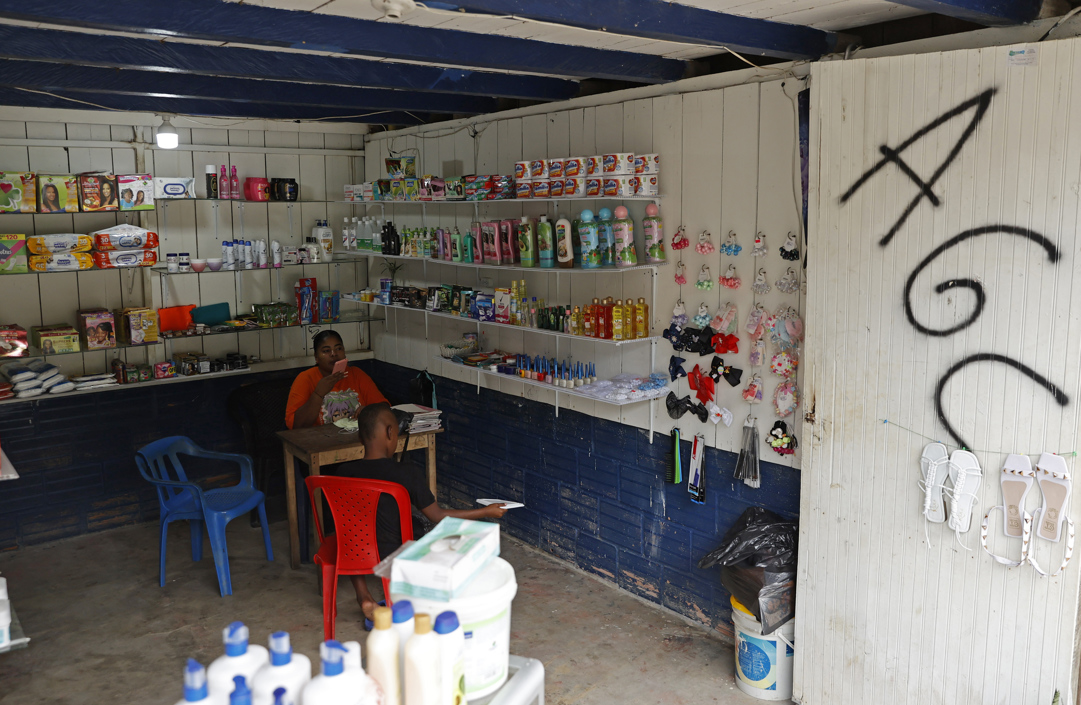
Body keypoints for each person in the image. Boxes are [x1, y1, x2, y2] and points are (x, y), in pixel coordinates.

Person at [333, 403, 508, 620]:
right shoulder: (407, 473)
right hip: (396, 553)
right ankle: (413, 591)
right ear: (390, 432)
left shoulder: (342, 473)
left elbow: (343, 524)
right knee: (423, 525)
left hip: (355, 551)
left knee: (350, 530)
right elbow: (437, 516)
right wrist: (485, 512)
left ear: (361, 438)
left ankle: (363, 596)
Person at [285, 329, 388, 429]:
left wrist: (368, 411)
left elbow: (384, 408)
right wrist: (318, 394)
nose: (334, 354)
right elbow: (295, 425)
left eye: (338, 348)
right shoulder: (305, 378)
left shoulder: (356, 374)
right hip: (318, 442)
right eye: (326, 351)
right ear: (316, 357)